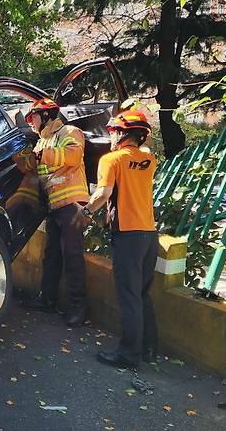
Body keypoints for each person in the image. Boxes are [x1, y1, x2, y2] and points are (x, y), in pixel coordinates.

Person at [73, 109, 158, 370]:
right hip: (149, 234)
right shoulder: (149, 158)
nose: (110, 136)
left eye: (113, 131)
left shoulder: (111, 160)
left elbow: (103, 194)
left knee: (128, 296)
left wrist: (85, 211)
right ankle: (149, 349)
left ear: (122, 133)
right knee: (142, 294)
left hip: (128, 235)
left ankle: (128, 355)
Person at [18, 97, 90, 327]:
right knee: (52, 256)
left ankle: (78, 308)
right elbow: (30, 167)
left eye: (33, 117)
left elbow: (73, 156)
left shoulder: (69, 131)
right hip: (53, 207)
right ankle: (47, 300)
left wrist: (43, 154)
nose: (31, 122)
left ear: (47, 115)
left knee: (72, 255)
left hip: (71, 205)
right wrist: (19, 156)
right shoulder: (42, 142)